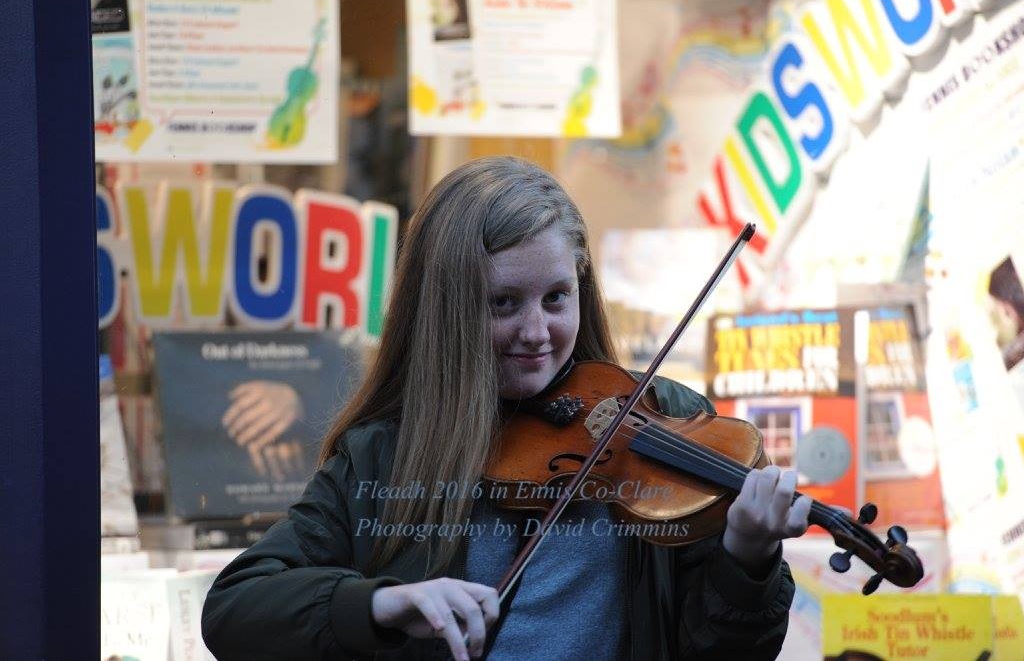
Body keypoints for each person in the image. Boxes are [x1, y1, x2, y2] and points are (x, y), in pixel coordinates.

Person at [201, 156, 810, 660]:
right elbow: (234, 609)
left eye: (556, 298)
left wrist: (747, 559)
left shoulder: (659, 417)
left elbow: (728, 651)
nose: (536, 331)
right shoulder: (385, 456)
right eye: (503, 303)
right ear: (446, 310)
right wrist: (381, 604)